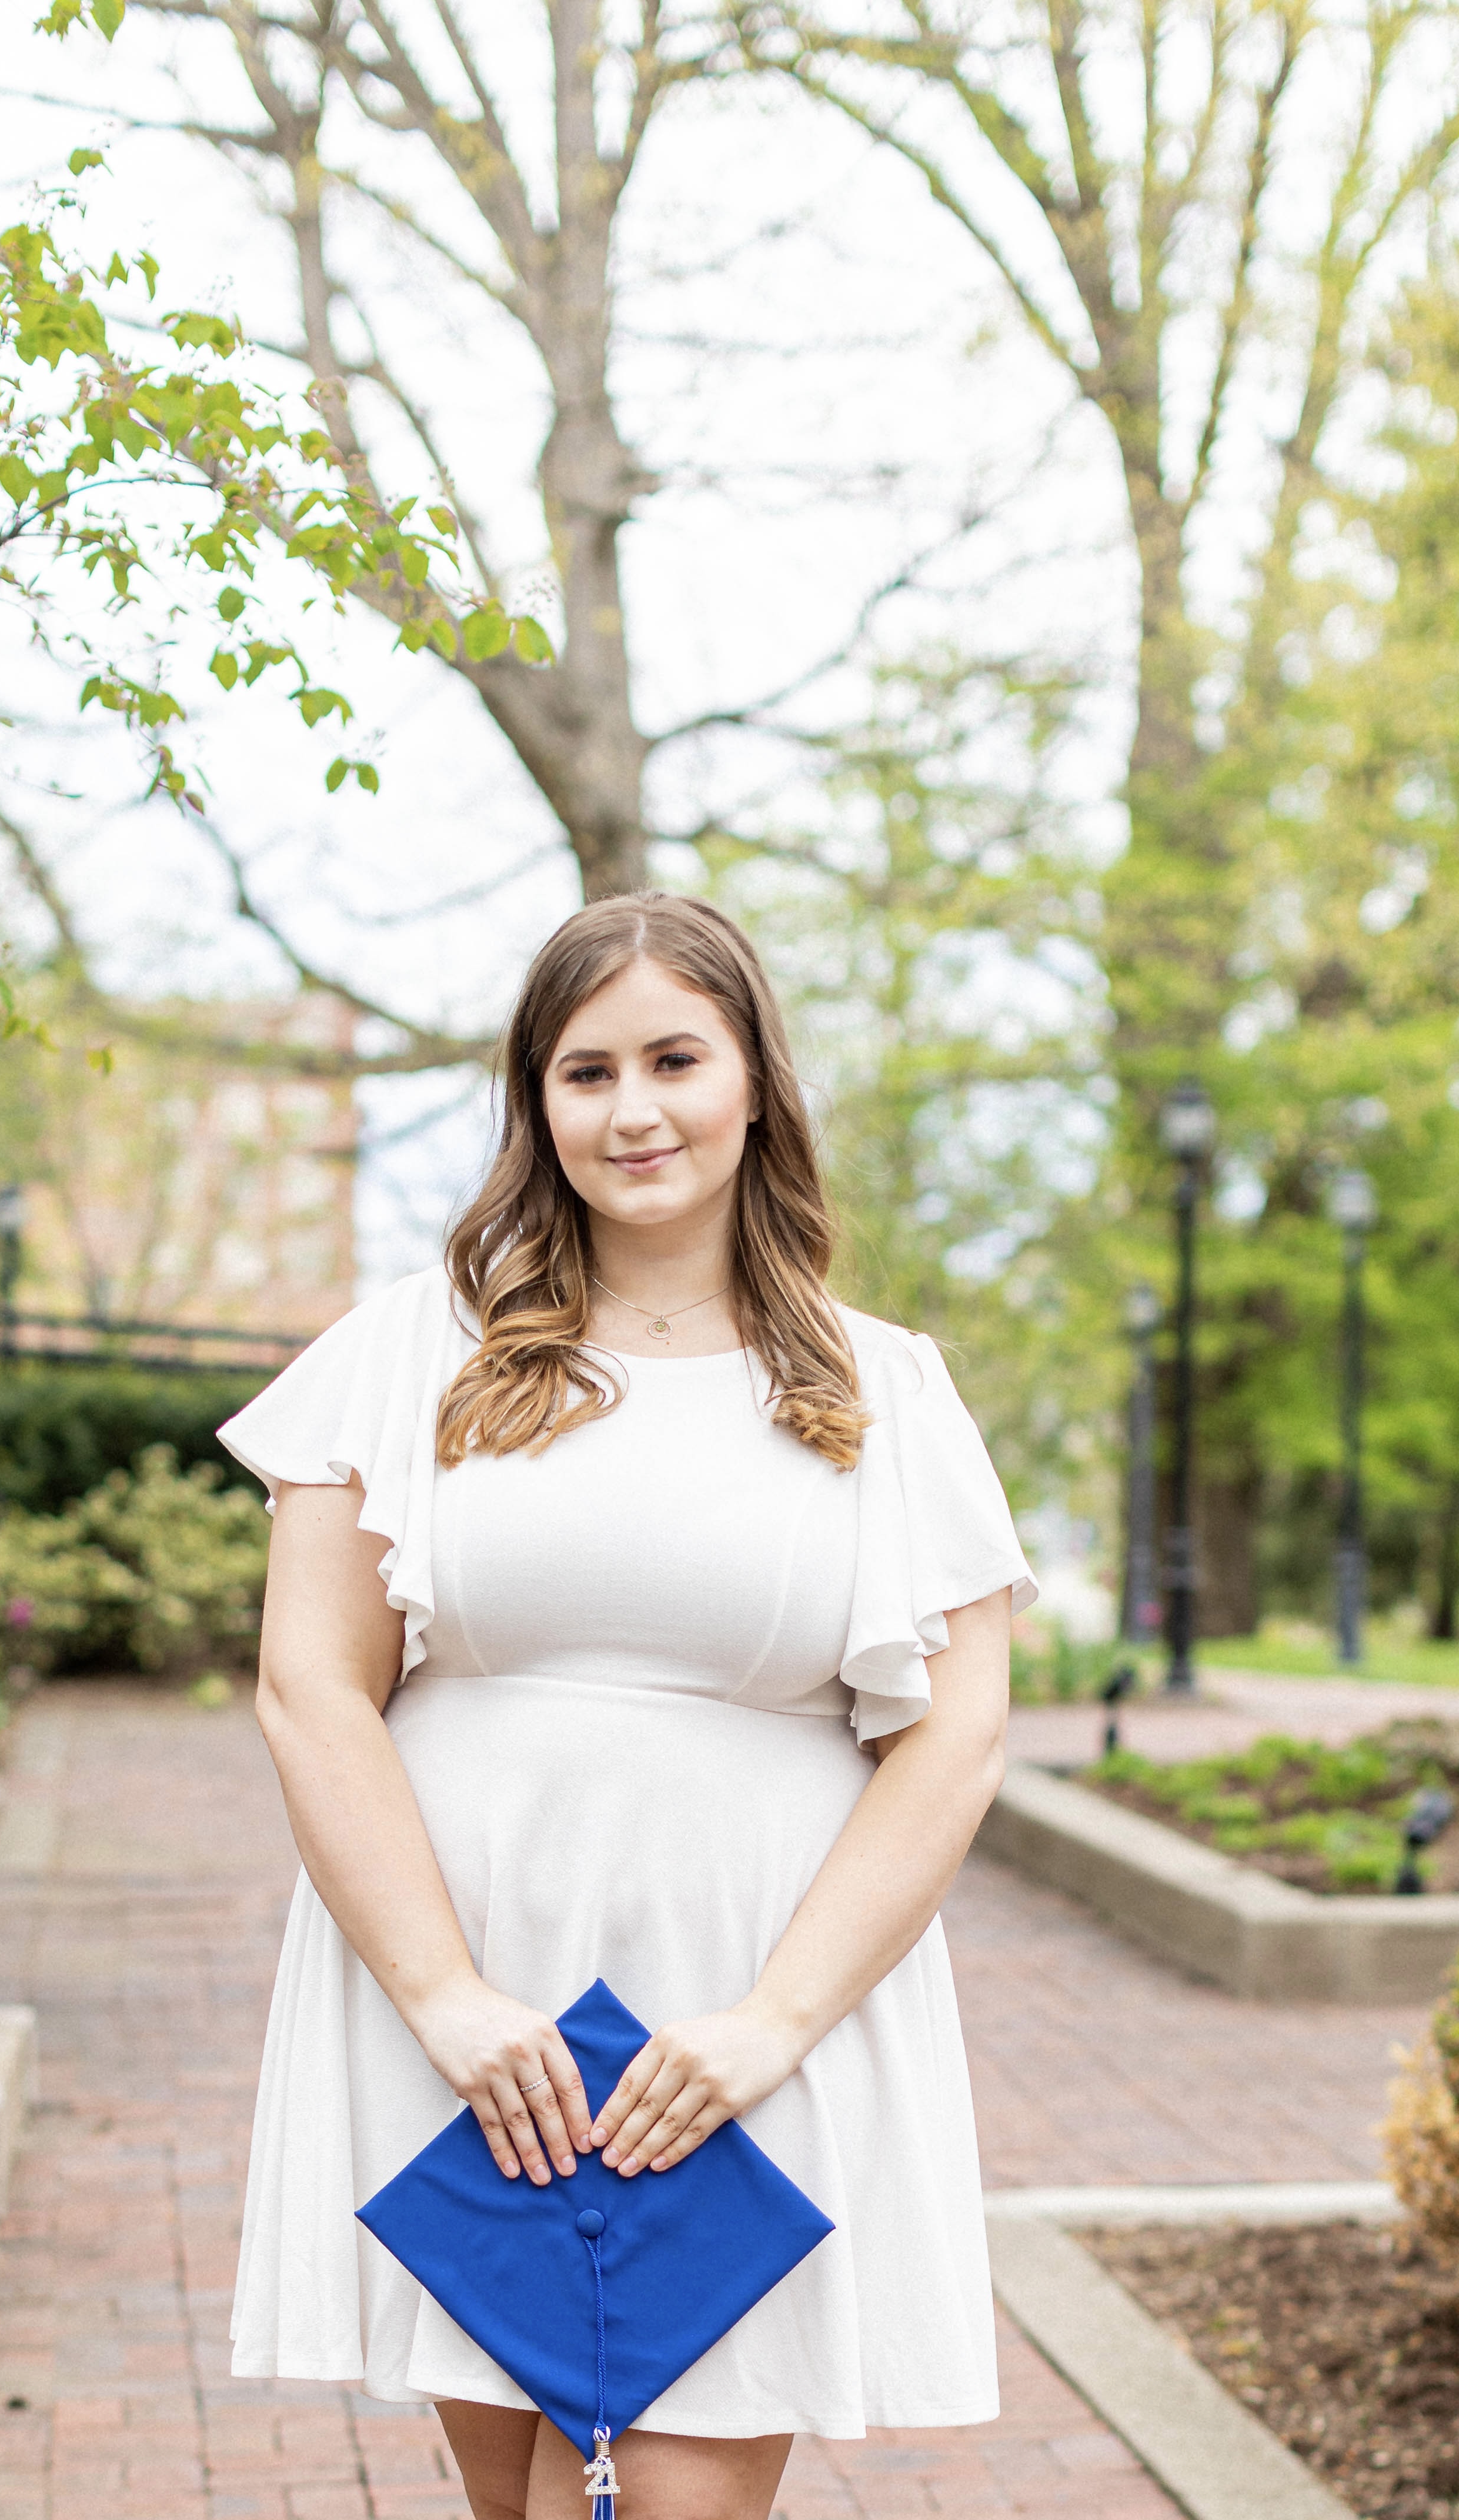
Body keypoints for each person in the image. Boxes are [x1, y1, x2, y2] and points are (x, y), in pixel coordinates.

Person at [220, 892, 1036, 2520]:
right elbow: (312, 1685)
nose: (634, 1108)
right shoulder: (413, 1353)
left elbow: (955, 1735)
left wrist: (771, 2026)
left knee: (673, 2500)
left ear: (753, 1084)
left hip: (750, 2008)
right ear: (537, 1104)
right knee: (524, 2501)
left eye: (676, 1056)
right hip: (471, 2014)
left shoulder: (889, 1391)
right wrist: (447, 1997)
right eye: (585, 1071)